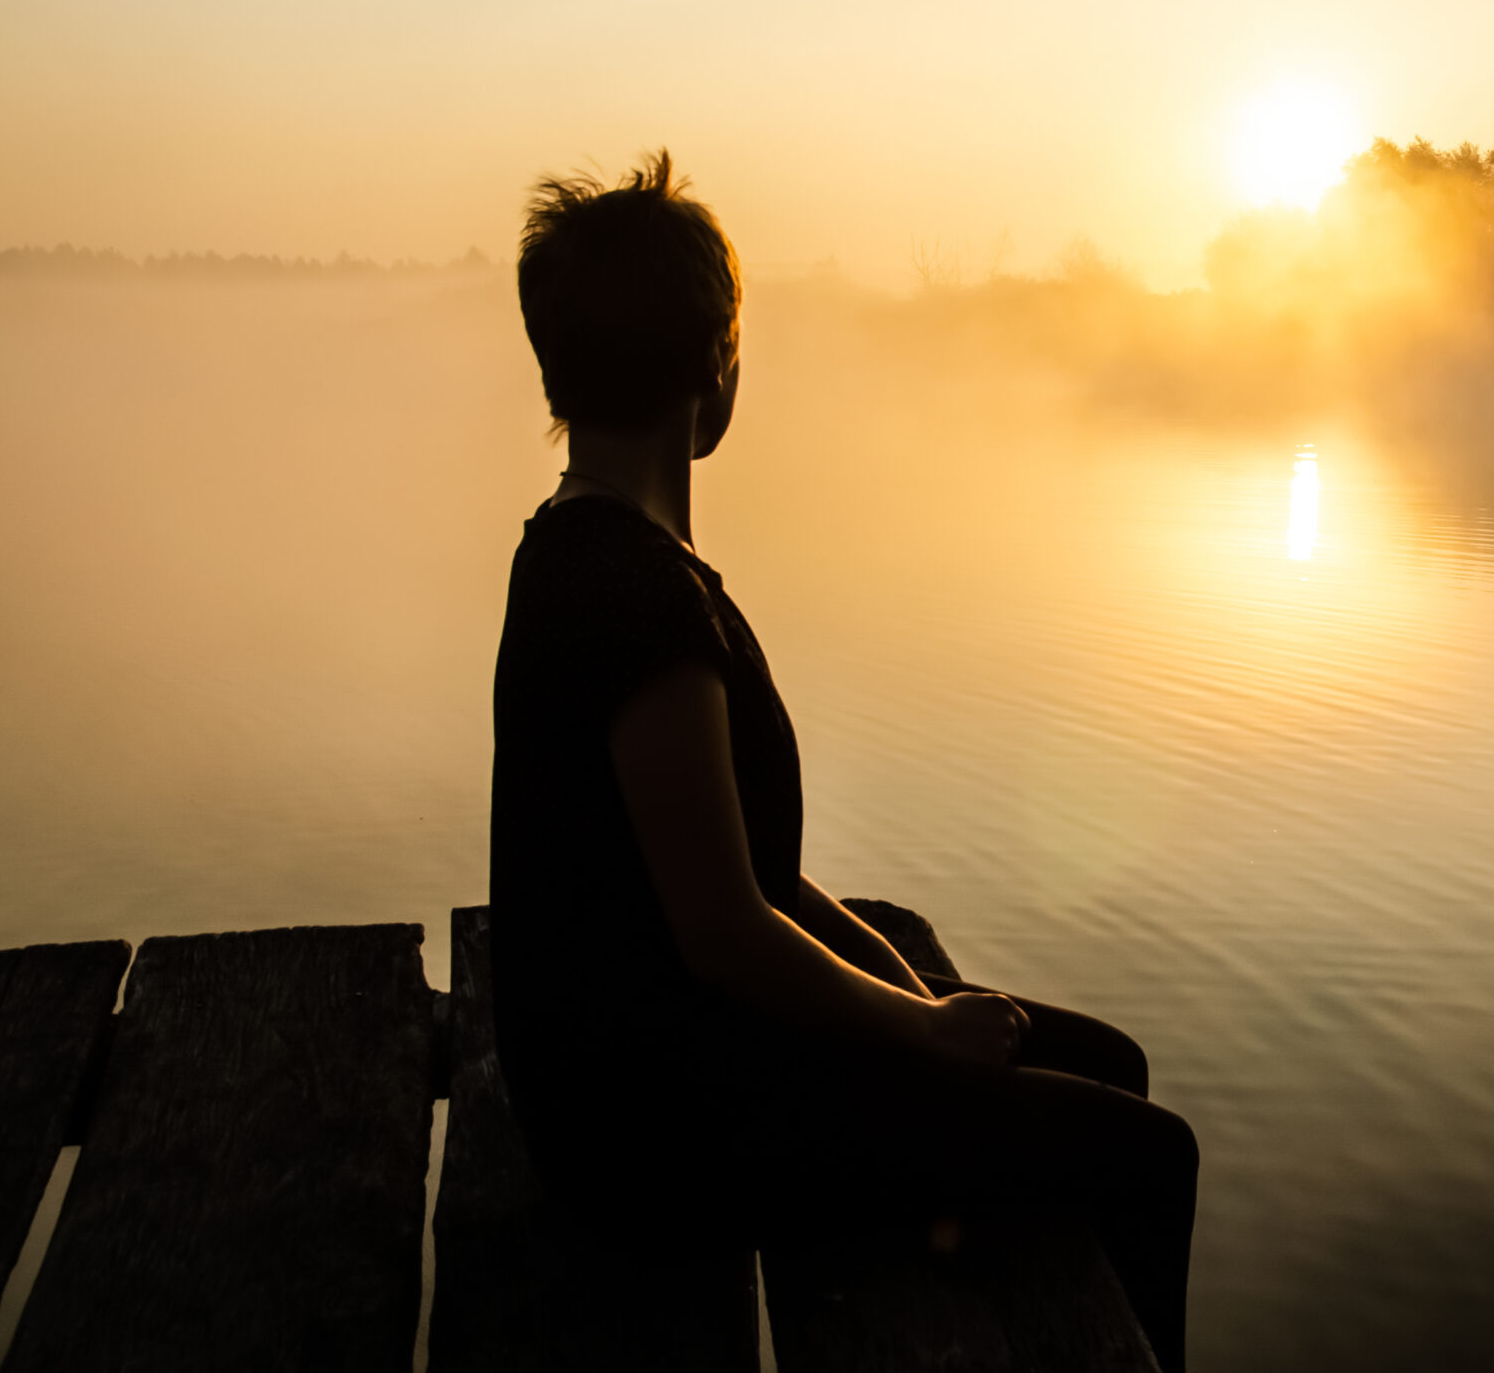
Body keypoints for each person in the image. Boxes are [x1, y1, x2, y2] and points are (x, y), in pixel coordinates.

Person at [489, 151, 1197, 1368]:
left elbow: (746, 873)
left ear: (556, 368)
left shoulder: (577, 546)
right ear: (719, 365)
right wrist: (919, 1037)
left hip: (637, 1077)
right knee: (1149, 1153)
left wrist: (912, 1000)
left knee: (1103, 1064)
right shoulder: (637, 604)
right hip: (658, 1130)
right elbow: (722, 927)